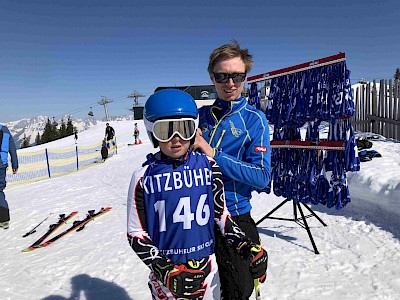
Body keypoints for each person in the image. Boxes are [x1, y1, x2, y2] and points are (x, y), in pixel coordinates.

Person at [127, 89, 268, 300]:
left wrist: (245, 245)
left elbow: (221, 217)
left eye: (185, 129)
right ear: (152, 132)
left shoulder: (209, 167)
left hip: (208, 272)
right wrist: (164, 269)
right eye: (165, 131)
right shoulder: (143, 177)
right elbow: (136, 233)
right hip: (169, 278)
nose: (176, 139)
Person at [192, 40, 271, 299]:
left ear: (245, 76)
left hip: (235, 216)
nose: (230, 83)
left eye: (237, 76)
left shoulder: (253, 119)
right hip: (196, 217)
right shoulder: (199, 117)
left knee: (239, 291)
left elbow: (261, 177)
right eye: (222, 76)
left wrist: (213, 154)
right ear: (212, 78)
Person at [0, 124, 19, 229]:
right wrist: (15, 164)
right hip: (2, 165)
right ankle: (4, 220)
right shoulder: (5, 130)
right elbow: (12, 148)